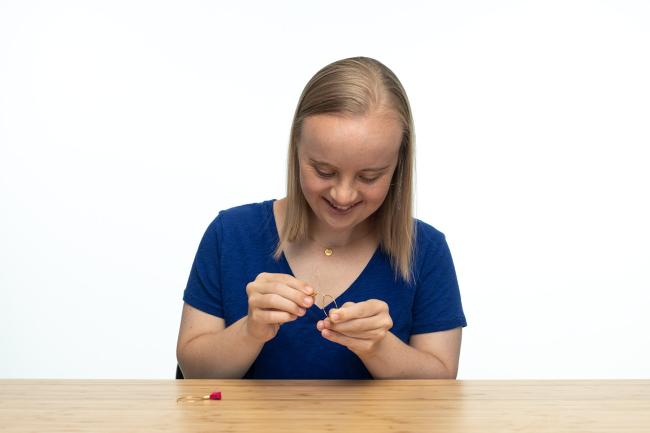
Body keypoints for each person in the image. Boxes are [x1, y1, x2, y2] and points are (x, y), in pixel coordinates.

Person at [176, 56, 467, 379]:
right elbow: (193, 370)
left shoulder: (426, 250)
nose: (343, 195)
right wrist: (251, 331)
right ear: (297, 152)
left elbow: (441, 384)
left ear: (398, 166)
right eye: (324, 171)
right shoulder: (229, 234)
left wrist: (379, 346)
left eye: (369, 177)